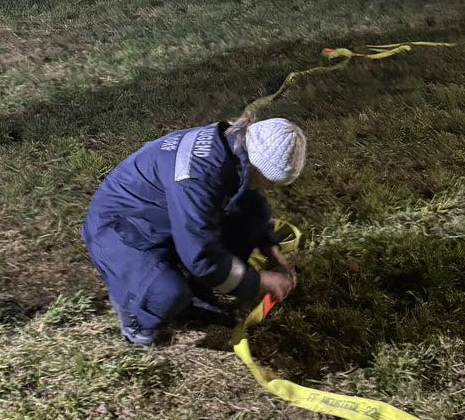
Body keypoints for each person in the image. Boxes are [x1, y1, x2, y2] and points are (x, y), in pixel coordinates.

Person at [81, 115, 306, 346]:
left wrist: (272, 251)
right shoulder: (198, 177)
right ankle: (136, 315)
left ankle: (198, 291)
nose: (270, 187)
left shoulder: (233, 145)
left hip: (156, 217)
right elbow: (201, 257)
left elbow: (246, 205)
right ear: (257, 165)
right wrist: (259, 281)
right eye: (271, 181)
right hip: (118, 228)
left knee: (254, 211)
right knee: (168, 293)